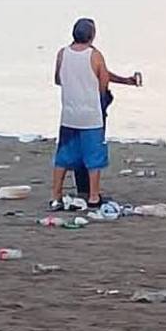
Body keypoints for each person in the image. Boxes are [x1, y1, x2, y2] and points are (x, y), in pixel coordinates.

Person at [50, 17, 116, 210]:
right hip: (91, 114)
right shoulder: (94, 55)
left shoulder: (63, 53)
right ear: (92, 35)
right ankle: (93, 196)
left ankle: (56, 195)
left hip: (69, 113)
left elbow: (57, 78)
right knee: (93, 157)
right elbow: (103, 82)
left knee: (63, 156)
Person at [73, 63, 142, 199]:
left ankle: (83, 190)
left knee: (80, 147)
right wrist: (123, 82)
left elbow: (59, 78)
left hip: (76, 105)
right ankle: (91, 194)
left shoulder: (68, 55)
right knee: (92, 149)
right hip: (93, 104)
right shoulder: (92, 55)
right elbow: (102, 75)